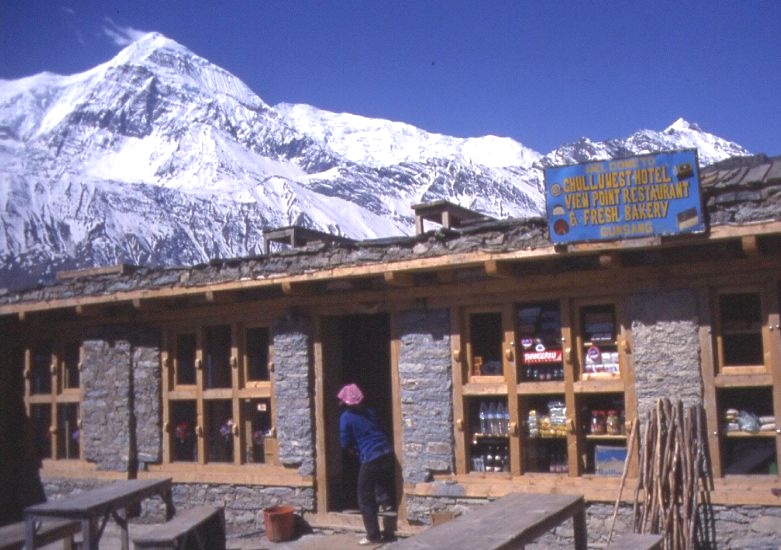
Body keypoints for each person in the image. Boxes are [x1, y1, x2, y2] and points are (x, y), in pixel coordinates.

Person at [338, 383, 394, 545]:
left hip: (370, 455)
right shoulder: (370, 412)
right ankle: (385, 502)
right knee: (374, 478)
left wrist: (352, 449)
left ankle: (373, 535)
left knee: (364, 497)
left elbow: (344, 440)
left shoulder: (346, 417)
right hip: (386, 451)